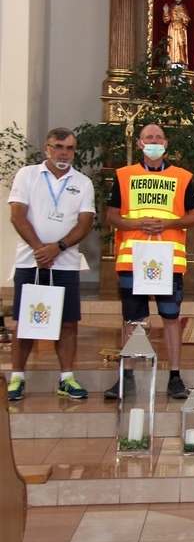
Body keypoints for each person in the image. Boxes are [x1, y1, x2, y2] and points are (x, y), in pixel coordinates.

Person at [105, 123, 194, 400]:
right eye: (149, 137)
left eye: (159, 137)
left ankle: (175, 377)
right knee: (132, 319)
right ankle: (126, 378)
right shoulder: (124, 175)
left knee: (171, 318)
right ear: (140, 143)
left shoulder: (182, 177)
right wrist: (137, 223)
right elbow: (111, 216)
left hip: (168, 259)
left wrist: (168, 223)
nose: (154, 141)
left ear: (166, 143)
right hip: (133, 258)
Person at [6, 128, 95, 401]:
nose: (64, 153)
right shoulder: (28, 175)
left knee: (68, 323)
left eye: (69, 148)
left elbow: (85, 223)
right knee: (26, 321)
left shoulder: (82, 182)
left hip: (65, 263)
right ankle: (17, 378)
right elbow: (17, 215)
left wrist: (58, 248)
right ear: (47, 148)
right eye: (59, 147)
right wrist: (40, 250)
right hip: (30, 262)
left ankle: (66, 378)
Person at [162, 0, 190, 66]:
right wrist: (166, 12)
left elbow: (187, 20)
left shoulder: (184, 8)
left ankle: (182, 61)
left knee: (181, 43)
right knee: (172, 44)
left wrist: (182, 17)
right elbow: (167, 20)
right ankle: (172, 62)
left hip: (181, 28)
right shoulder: (171, 8)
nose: (177, 0)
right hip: (173, 28)